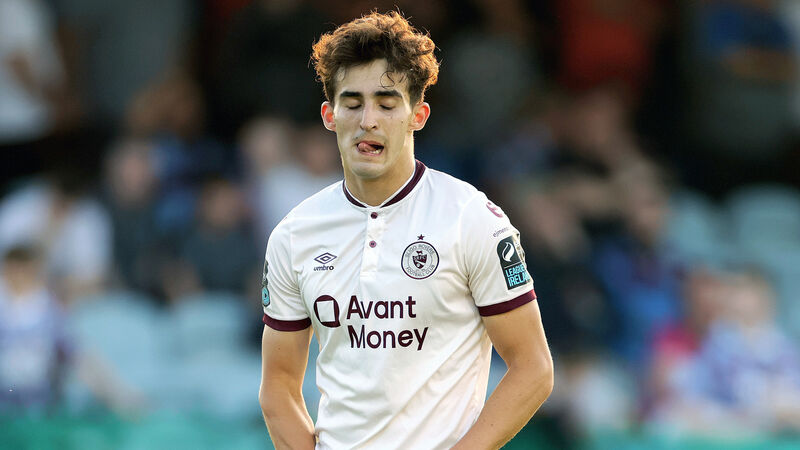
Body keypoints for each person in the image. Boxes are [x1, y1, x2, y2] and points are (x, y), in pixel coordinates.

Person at [258, 11, 553, 450]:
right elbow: (279, 386)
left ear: (418, 114)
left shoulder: (471, 218)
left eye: (386, 103)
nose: (368, 119)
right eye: (352, 103)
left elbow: (534, 368)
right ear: (329, 115)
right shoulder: (294, 234)